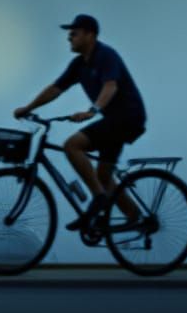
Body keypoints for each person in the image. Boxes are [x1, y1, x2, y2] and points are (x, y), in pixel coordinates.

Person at [14, 13, 147, 231]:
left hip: (127, 117)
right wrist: (29, 108)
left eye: (74, 33)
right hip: (114, 121)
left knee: (72, 145)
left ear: (90, 34)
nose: (69, 38)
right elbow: (55, 89)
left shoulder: (106, 55)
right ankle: (135, 216)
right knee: (103, 175)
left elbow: (110, 85)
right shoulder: (78, 65)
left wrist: (92, 110)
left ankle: (98, 200)